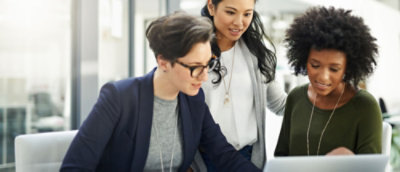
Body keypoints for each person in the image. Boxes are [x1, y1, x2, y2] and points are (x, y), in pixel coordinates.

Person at [60, 12, 261, 172]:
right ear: (163, 61)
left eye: (207, 64)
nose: (204, 76)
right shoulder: (120, 98)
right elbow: (75, 167)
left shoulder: (193, 100)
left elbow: (223, 154)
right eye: (195, 67)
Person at [192, 0, 287, 171]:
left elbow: (280, 104)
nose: (239, 22)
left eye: (247, 14)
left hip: (247, 157)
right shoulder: (192, 53)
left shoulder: (256, 53)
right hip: (203, 160)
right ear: (211, 7)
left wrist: (321, 99)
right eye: (230, 12)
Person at [274, 6, 382, 156]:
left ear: (347, 68)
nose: (323, 77)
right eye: (315, 65)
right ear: (304, 60)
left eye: (334, 69)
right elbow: (281, 158)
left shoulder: (365, 106)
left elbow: (371, 167)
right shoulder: (295, 98)